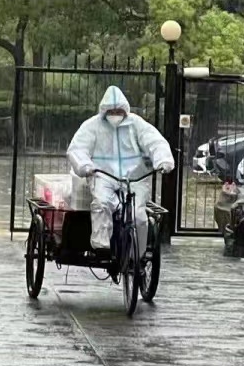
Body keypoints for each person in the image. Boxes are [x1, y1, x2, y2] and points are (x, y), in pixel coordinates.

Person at [67, 86, 174, 253]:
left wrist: (163, 160)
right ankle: (101, 244)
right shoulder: (92, 126)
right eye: (112, 111)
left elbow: (155, 142)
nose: (115, 114)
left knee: (139, 217)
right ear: (104, 110)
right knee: (102, 204)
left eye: (118, 111)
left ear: (125, 110)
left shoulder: (136, 124)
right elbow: (78, 148)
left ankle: (137, 256)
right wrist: (85, 166)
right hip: (103, 174)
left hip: (135, 176)